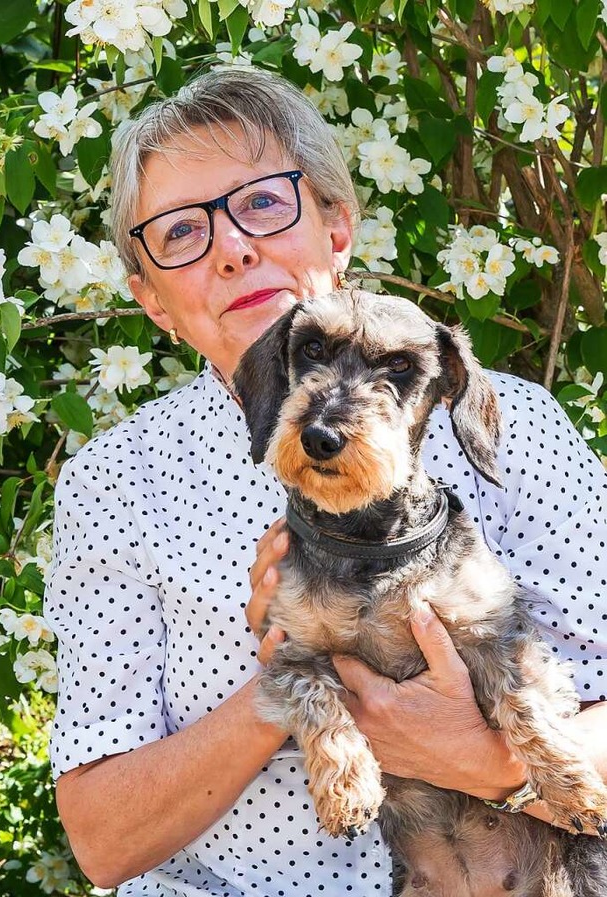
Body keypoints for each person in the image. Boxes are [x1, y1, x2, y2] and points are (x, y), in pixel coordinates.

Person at [44, 66, 607, 897]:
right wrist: (291, 668)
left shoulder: (510, 425)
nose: (233, 247)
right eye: (180, 234)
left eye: (263, 202)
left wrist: (484, 760)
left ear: (336, 227)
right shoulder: (115, 485)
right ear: (151, 298)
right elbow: (101, 838)